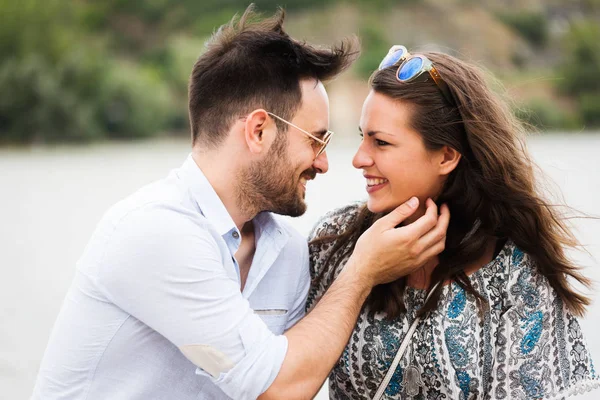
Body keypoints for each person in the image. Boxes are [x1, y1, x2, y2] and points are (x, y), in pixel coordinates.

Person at [30, 9, 450, 400]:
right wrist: (361, 273)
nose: (324, 162)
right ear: (259, 131)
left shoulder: (285, 248)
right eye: (316, 140)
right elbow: (275, 390)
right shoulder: (155, 231)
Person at [307, 45, 600, 399]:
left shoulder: (515, 268)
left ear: (446, 156)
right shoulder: (332, 244)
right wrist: (361, 272)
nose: (358, 159)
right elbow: (270, 377)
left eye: (381, 142)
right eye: (362, 137)